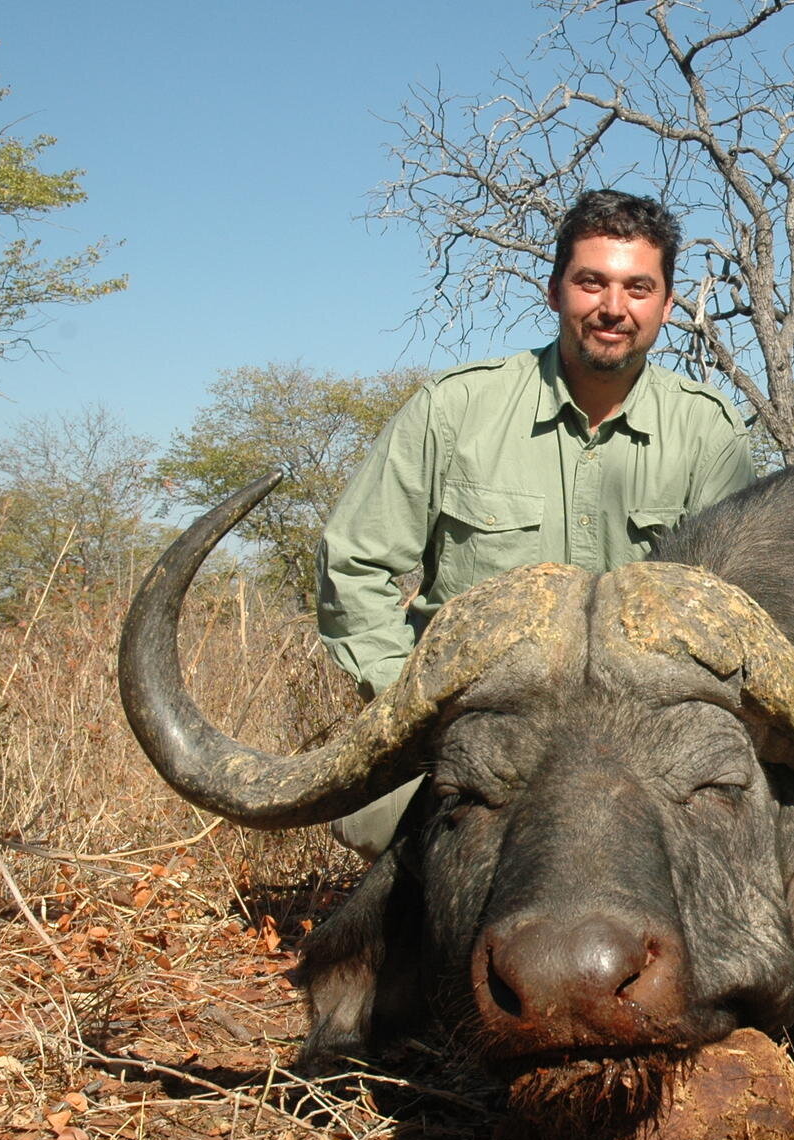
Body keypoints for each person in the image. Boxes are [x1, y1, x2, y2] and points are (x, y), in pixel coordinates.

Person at [316, 189, 756, 856]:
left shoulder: (708, 431)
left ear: (667, 307)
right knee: (384, 820)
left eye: (639, 288)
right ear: (555, 292)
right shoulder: (455, 408)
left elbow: (733, 614)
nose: (614, 307)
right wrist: (414, 698)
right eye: (592, 282)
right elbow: (354, 566)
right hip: (479, 736)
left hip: (638, 742)